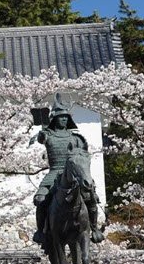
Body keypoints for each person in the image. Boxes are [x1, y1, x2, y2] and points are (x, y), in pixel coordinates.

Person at [32, 100, 105, 245]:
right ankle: (41, 231)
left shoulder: (76, 138)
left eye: (66, 117)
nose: (64, 119)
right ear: (55, 119)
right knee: (40, 199)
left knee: (91, 198)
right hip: (54, 174)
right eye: (60, 117)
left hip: (75, 174)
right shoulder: (48, 135)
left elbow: (82, 157)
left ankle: (94, 228)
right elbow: (41, 139)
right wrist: (43, 129)